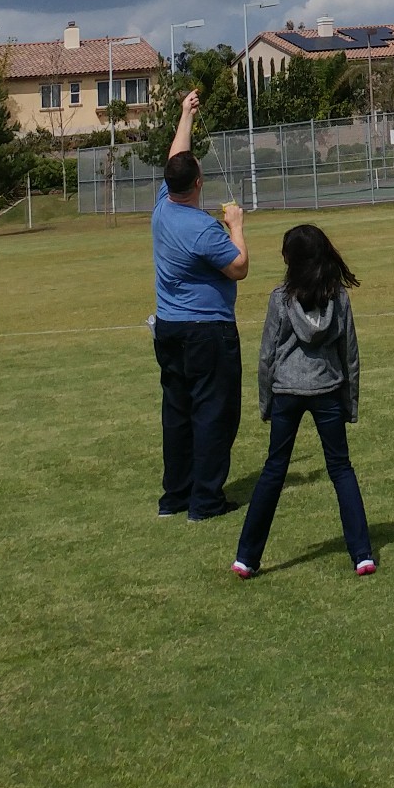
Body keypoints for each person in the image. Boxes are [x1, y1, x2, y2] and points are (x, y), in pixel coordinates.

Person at [232, 222, 375, 579]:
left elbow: (267, 355)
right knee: (341, 469)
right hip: (327, 390)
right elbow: (350, 353)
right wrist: (350, 402)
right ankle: (362, 554)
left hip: (287, 392)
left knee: (273, 470)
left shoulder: (281, 298)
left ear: (291, 261)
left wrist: (266, 402)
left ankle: (246, 557)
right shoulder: (337, 297)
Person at [151, 89, 249, 520]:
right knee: (213, 413)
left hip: (169, 328)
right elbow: (239, 267)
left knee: (177, 412)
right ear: (197, 184)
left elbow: (177, 157)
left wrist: (186, 114)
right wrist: (236, 225)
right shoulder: (204, 229)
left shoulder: (161, 208)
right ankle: (205, 501)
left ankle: (176, 497)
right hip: (207, 332)